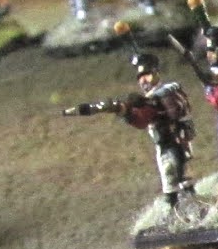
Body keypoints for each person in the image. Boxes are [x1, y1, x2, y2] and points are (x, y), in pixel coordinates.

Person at [63, 49, 197, 209]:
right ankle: (174, 206)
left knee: (180, 173)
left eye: (147, 75)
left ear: (156, 73)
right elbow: (141, 121)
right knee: (168, 178)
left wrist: (151, 101)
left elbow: (176, 109)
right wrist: (125, 111)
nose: (144, 81)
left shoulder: (169, 90)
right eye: (140, 77)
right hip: (162, 143)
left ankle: (193, 203)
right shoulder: (146, 101)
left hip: (176, 139)